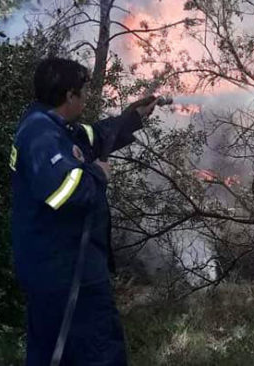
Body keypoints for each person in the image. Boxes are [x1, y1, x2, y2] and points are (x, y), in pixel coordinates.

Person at [10, 58, 157, 365]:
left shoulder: (55, 127)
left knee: (55, 354)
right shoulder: (42, 137)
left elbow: (95, 137)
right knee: (97, 354)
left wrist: (131, 118)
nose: (88, 96)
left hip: (59, 270)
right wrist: (98, 175)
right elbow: (62, 192)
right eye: (84, 90)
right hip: (67, 275)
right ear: (69, 96)